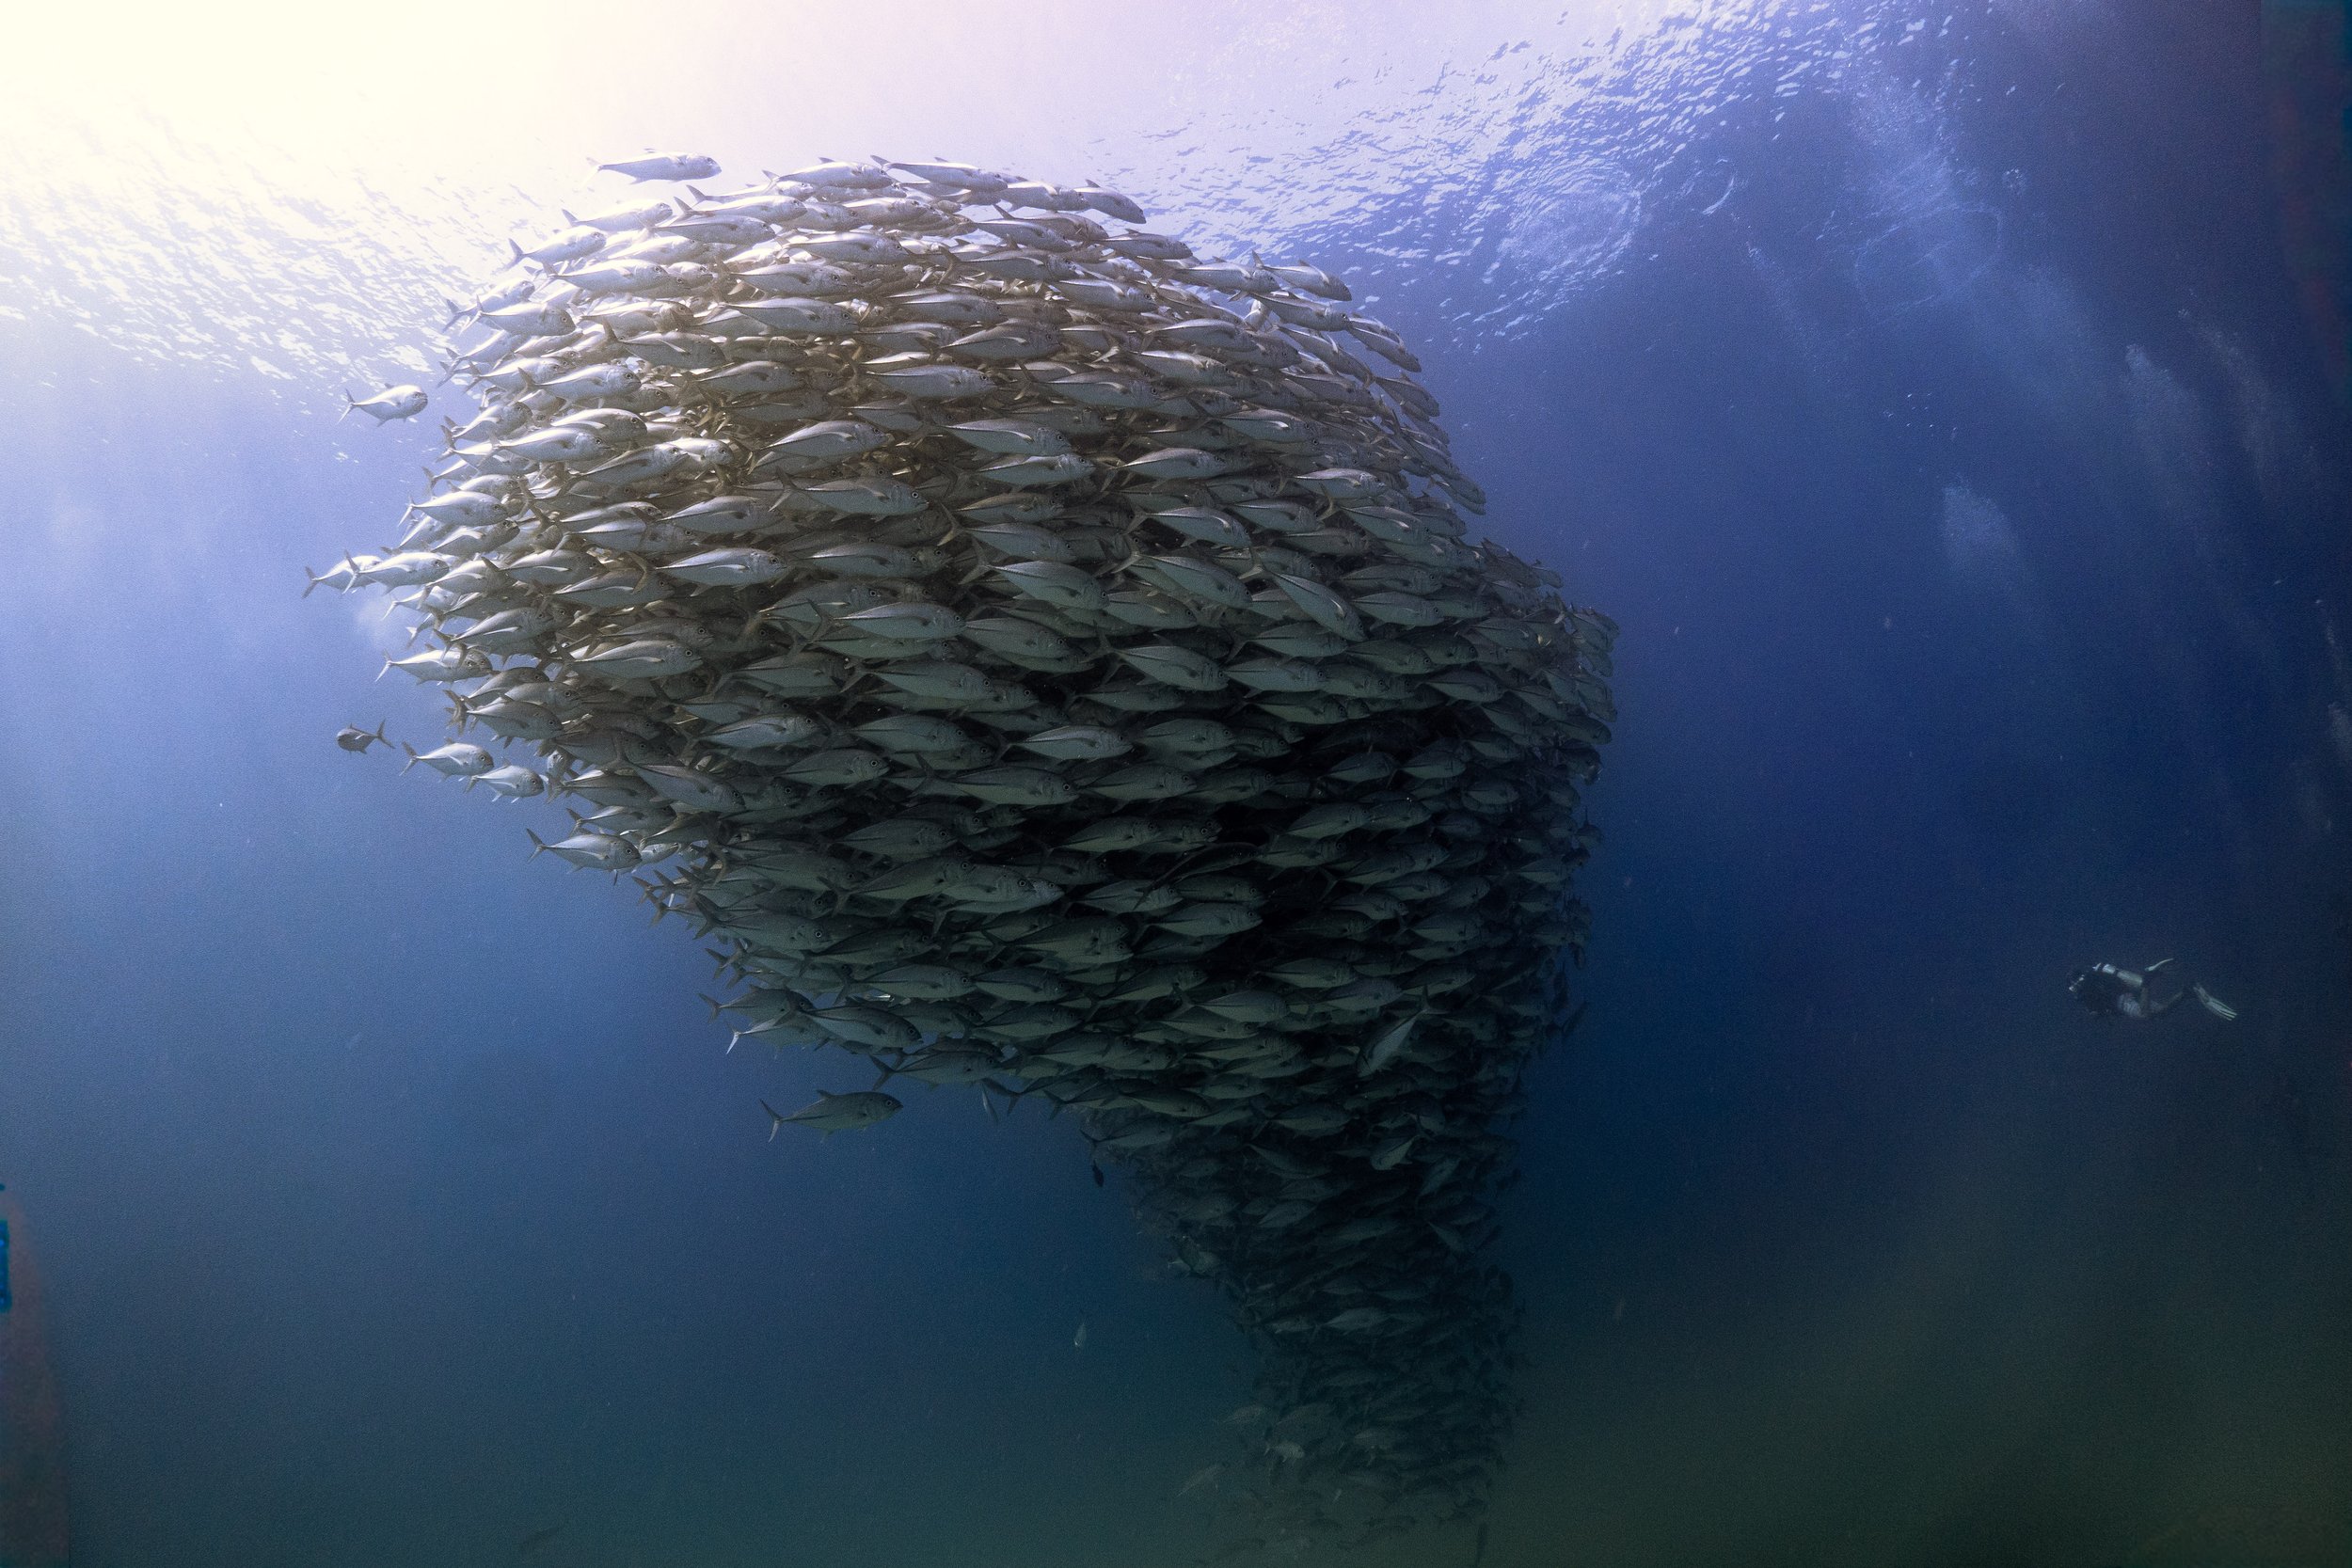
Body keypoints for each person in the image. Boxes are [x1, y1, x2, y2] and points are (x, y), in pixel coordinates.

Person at [2068, 958, 2237, 1021]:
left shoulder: (2083, 993)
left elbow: (2095, 1011)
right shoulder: (2094, 974)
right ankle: (2188, 992)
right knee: (2161, 1013)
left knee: (2145, 1015)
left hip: (2120, 998)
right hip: (2126, 984)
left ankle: (2147, 981)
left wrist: (2096, 1015)